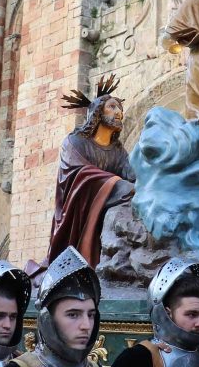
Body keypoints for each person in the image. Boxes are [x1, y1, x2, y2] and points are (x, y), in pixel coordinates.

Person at [28, 76, 135, 275]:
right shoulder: (74, 142)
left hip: (105, 203)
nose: (119, 112)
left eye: (120, 108)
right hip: (76, 211)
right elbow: (77, 175)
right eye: (112, 107)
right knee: (126, 189)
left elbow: (132, 175)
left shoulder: (118, 150)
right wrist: (115, 183)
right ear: (97, 112)